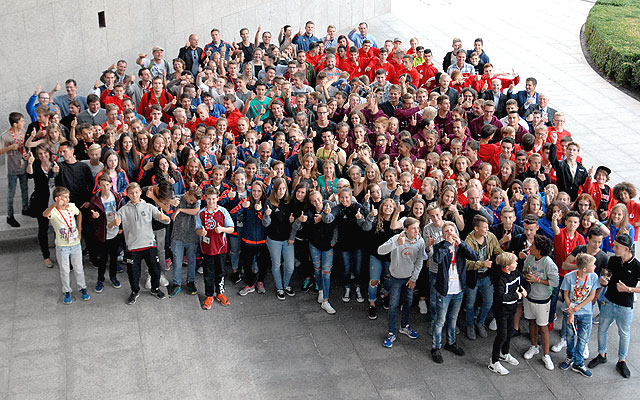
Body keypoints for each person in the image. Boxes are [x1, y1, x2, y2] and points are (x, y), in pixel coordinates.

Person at [588, 233, 640, 378]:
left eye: (617, 246)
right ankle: (601, 354)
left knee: (624, 333)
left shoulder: (636, 265)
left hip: (624, 305)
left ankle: (622, 360)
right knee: (602, 329)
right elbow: (607, 276)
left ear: (627, 249)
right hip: (608, 300)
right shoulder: (613, 260)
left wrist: (628, 289)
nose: (614, 248)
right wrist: (604, 280)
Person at [111, 182, 171, 304]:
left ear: (140, 192)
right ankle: (135, 291)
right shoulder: (123, 210)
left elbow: (165, 219)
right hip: (133, 247)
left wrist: (165, 218)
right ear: (127, 194)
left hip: (149, 244)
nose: (134, 195)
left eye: (136, 192)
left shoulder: (149, 207)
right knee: (133, 273)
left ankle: (155, 288)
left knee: (155, 270)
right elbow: (111, 225)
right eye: (131, 193)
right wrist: (114, 223)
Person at [431, 221, 479, 363]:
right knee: (440, 320)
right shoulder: (440, 247)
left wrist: (461, 243)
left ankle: (451, 343)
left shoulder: (460, 247)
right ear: (443, 234)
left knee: (453, 319)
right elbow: (437, 259)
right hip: (445, 291)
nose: (450, 233)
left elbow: (474, 257)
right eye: (446, 231)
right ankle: (435, 347)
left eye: (452, 230)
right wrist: (446, 244)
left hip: (458, 289)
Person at [378, 217, 425, 348]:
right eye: (414, 228)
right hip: (395, 278)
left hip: (409, 278)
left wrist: (414, 279)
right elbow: (380, 250)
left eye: (418, 228)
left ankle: (404, 326)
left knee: (408, 303)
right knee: (393, 305)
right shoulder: (396, 238)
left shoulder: (420, 241)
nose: (417, 231)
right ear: (405, 229)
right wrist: (396, 244)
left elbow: (420, 261)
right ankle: (391, 332)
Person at [42, 186, 90, 304]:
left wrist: (79, 230)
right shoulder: (53, 211)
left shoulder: (72, 207)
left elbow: (79, 214)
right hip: (62, 246)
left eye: (68, 197)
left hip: (75, 244)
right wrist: (54, 205)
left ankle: (82, 287)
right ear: (57, 198)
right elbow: (44, 214)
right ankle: (67, 290)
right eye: (65, 197)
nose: (68, 199)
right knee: (65, 270)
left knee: (79, 268)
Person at [558, 253, 600, 377]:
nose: (595, 266)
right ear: (584, 269)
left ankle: (578, 361)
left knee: (583, 338)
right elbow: (565, 294)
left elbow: (591, 296)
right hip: (570, 311)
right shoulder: (569, 277)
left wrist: (576, 308)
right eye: (593, 265)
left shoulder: (593, 277)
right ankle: (569, 356)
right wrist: (570, 309)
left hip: (585, 312)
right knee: (570, 336)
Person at [522, 234, 559, 370]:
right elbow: (525, 269)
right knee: (531, 322)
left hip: (542, 300)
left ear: (539, 250)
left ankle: (546, 355)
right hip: (529, 296)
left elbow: (554, 282)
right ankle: (534, 346)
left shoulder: (549, 263)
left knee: (543, 327)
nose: (530, 247)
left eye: (533, 246)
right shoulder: (530, 257)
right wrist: (527, 275)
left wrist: (537, 280)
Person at [464, 215, 504, 340]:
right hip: (473, 277)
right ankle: (470, 325)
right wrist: (483, 264)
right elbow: (466, 264)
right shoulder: (468, 241)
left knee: (488, 302)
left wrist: (506, 257)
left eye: (487, 227)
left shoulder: (491, 237)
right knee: (470, 304)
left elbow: (497, 250)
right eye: (484, 227)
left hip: (487, 276)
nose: (487, 229)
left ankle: (480, 323)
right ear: (476, 228)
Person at [488, 252, 528, 375]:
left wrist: (525, 289)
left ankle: (504, 353)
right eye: (514, 262)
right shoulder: (500, 278)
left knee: (510, 331)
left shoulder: (516, 272)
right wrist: (518, 295)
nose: (516, 263)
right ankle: (494, 361)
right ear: (507, 267)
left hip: (512, 308)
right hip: (501, 311)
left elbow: (523, 282)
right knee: (501, 335)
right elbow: (502, 297)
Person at [196, 187, 234, 309]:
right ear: (205, 199)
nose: (211, 202)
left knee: (220, 272)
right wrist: (200, 233)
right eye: (209, 199)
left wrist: (222, 229)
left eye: (213, 199)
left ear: (217, 198)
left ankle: (220, 293)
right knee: (208, 272)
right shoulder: (201, 213)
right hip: (207, 249)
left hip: (220, 248)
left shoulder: (223, 211)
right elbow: (196, 229)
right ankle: (209, 295)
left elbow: (232, 228)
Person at [88, 174, 124, 292]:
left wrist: (121, 227)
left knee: (114, 257)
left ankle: (113, 277)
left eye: (107, 185)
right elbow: (90, 217)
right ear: (99, 186)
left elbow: (122, 212)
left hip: (115, 232)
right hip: (103, 233)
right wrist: (94, 217)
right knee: (102, 259)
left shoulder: (117, 197)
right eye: (102, 185)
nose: (105, 187)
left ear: (111, 185)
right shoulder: (95, 200)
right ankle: (100, 280)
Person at [169, 185, 202, 298]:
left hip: (192, 236)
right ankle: (177, 283)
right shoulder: (177, 198)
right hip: (177, 236)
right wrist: (170, 201)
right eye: (191, 199)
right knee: (177, 262)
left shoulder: (196, 202)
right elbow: (165, 199)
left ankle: (191, 282)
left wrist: (179, 210)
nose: (192, 202)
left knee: (192, 261)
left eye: (194, 201)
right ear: (187, 193)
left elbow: (197, 211)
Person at [1, 112, 29, 228]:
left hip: (23, 167)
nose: (24, 123)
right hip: (12, 169)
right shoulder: (5, 135)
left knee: (25, 189)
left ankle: (25, 208)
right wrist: (10, 147)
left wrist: (26, 154)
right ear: (15, 123)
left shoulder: (22, 132)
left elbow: (25, 147)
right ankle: (10, 216)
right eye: (22, 121)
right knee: (11, 193)